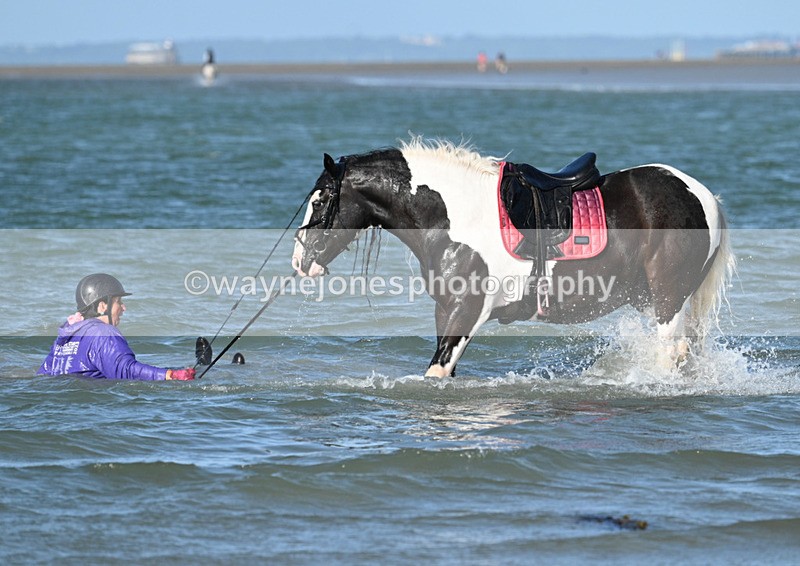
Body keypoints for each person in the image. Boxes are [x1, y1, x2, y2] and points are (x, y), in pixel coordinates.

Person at [39, 273, 195, 381]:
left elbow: (44, 373)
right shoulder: (103, 332)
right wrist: (170, 375)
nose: (123, 308)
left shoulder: (65, 336)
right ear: (102, 306)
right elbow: (126, 370)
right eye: (118, 302)